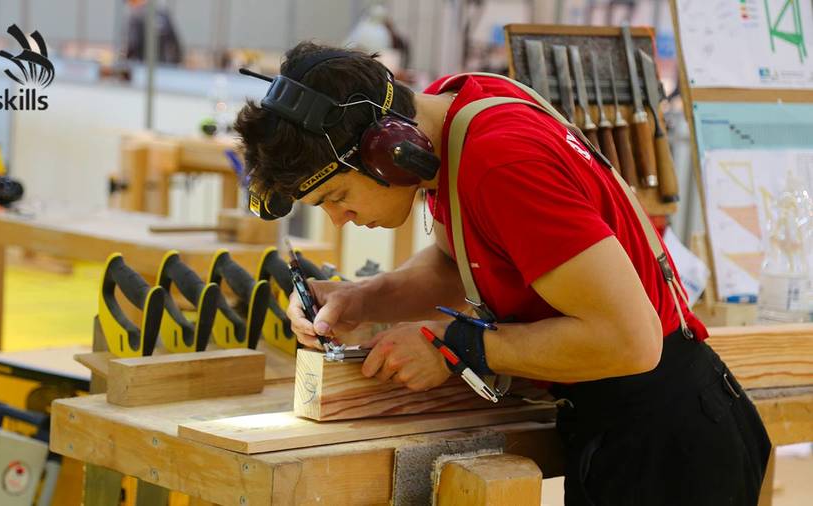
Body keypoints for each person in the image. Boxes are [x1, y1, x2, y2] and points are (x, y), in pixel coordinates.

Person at [234, 41, 771, 505]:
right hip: (629, 424)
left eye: (336, 196)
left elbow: (630, 341)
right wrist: (360, 299)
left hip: (668, 442)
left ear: (389, 152)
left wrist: (455, 344)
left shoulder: (500, 162)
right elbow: (457, 262)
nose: (338, 219)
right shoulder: (453, 117)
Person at [123, 0, 183, 65]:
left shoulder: (136, 17)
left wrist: (123, 60)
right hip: (164, 66)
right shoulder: (163, 13)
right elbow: (175, 45)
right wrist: (175, 64)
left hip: (142, 66)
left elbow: (133, 45)